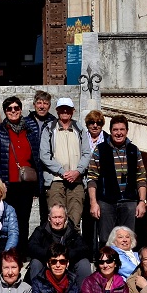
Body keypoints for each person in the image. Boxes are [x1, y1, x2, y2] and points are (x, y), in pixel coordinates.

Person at [87, 114, 147, 245]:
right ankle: (107, 264)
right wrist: (93, 202)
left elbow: (141, 177)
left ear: (126, 131)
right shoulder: (100, 150)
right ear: (110, 131)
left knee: (128, 240)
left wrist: (142, 201)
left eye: (122, 129)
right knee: (105, 239)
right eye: (115, 130)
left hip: (129, 202)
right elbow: (92, 178)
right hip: (106, 201)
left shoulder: (134, 150)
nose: (118, 133)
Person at [0, 96, 40, 240]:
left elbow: (36, 155)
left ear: (21, 110)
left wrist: (37, 183)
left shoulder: (30, 129)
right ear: (5, 111)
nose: (13, 111)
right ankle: (10, 251)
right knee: (8, 219)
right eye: (9, 109)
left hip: (26, 182)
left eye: (16, 108)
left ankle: (21, 252)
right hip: (7, 183)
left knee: (24, 219)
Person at [38, 97, 91, 229]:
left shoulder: (79, 129)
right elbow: (44, 155)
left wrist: (77, 171)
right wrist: (63, 172)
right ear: (57, 111)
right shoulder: (49, 129)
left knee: (75, 220)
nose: (65, 111)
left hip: (76, 181)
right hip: (55, 180)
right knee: (57, 220)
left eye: (68, 109)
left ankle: (73, 248)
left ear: (73, 111)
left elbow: (87, 153)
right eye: (62, 109)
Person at [26, 203, 92, 286]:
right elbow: (31, 246)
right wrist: (50, 254)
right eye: (54, 217)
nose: (57, 221)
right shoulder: (41, 231)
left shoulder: (72, 232)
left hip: (68, 266)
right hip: (47, 266)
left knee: (84, 263)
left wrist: (66, 254)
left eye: (60, 217)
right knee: (36, 262)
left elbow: (84, 248)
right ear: (49, 218)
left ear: (66, 218)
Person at [26, 89, 56, 227]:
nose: (42, 106)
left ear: (49, 106)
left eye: (45, 103)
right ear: (34, 105)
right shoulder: (25, 122)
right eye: (39, 103)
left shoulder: (54, 123)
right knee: (24, 212)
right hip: (30, 170)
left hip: (47, 171)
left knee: (46, 212)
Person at [80, 109, 107, 249]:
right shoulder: (81, 138)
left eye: (98, 123)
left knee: (103, 220)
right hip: (84, 183)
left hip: (102, 185)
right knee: (87, 219)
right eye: (91, 122)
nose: (95, 125)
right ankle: (89, 251)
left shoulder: (108, 140)